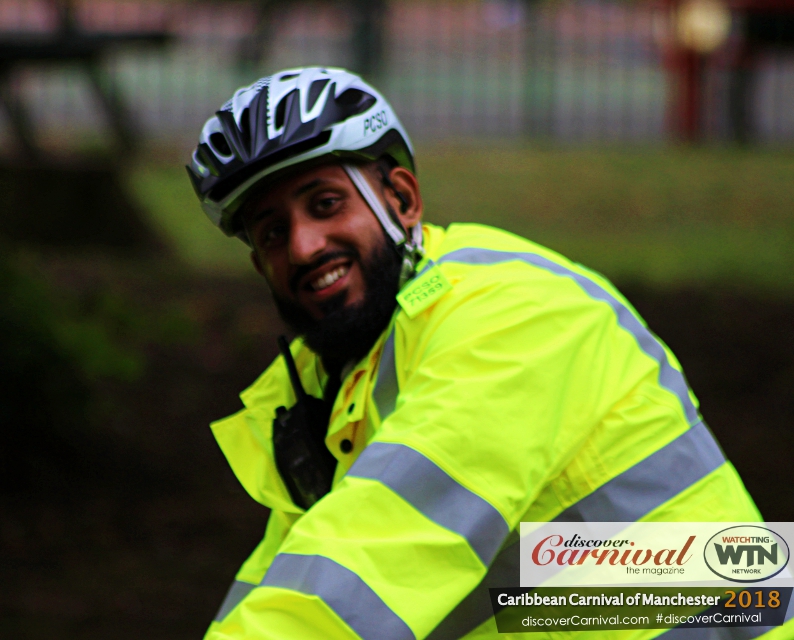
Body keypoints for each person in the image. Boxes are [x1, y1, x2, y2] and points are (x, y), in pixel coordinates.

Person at [186, 67, 785, 639]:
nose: (305, 245)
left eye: (325, 204)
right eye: (272, 233)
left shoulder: (510, 313)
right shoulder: (337, 382)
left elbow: (376, 554)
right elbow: (289, 579)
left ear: (402, 197)